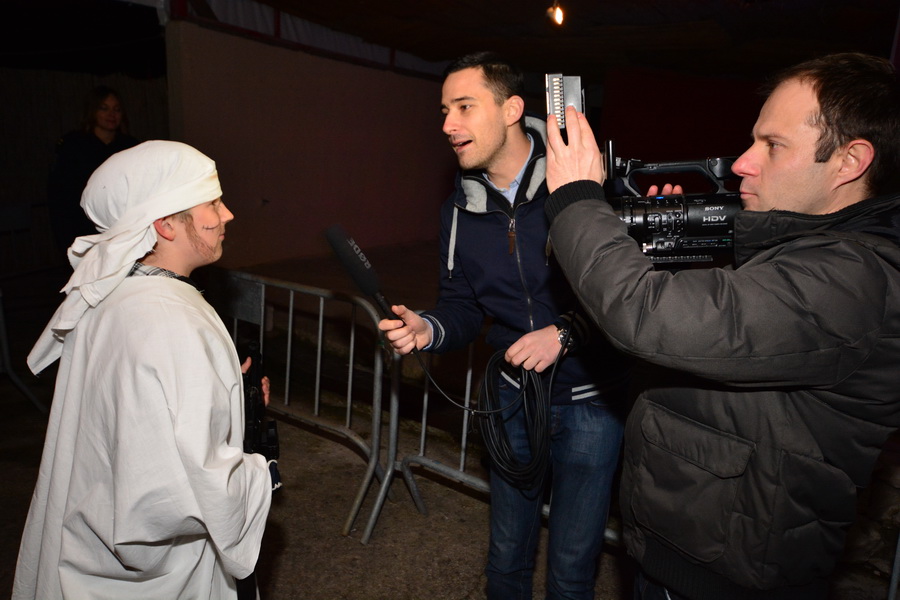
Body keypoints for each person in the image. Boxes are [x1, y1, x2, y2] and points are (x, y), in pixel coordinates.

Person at [542, 52, 900, 600]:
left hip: (725, 579)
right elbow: (712, 338)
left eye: (773, 146)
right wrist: (667, 258)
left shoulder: (855, 280)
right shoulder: (809, 253)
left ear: (850, 161)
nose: (742, 163)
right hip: (690, 552)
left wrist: (576, 200)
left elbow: (648, 318)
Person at [378, 52, 632, 600]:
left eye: (465, 107)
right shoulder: (458, 209)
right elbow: (462, 307)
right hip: (510, 400)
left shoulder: (584, 185)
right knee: (506, 556)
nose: (448, 124)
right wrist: (428, 328)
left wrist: (567, 332)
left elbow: (629, 294)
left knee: (571, 566)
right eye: (444, 110)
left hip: (591, 401)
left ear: (513, 108)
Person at [13, 141, 274, 600]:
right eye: (212, 202)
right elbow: (181, 492)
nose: (227, 214)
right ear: (165, 224)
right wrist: (259, 471)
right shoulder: (172, 322)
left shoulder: (115, 296)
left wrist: (229, 392)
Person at [47, 85, 140, 254]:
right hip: (82, 226)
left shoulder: (130, 146)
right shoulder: (72, 144)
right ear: (92, 111)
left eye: (117, 109)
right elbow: (60, 193)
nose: (112, 115)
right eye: (104, 108)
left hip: (121, 227)